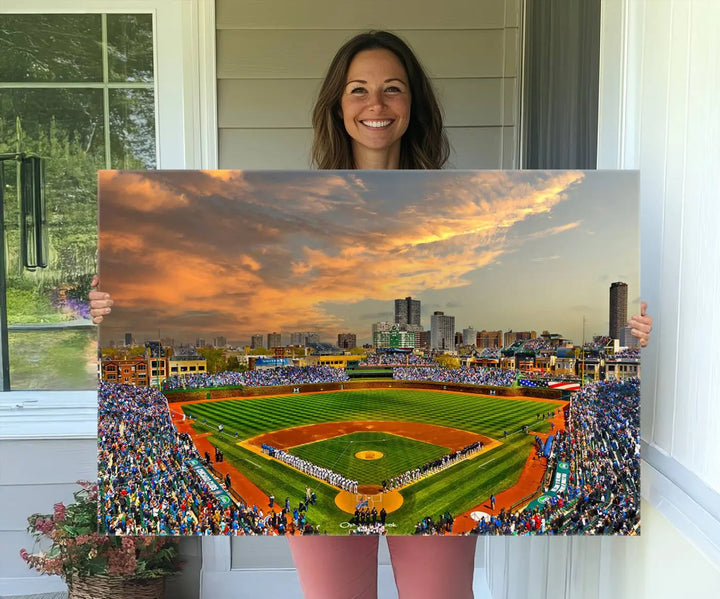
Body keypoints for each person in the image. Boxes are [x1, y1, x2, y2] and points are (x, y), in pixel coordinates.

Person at [89, 30, 654, 599]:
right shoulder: (296, 202)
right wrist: (113, 307)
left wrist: (631, 338)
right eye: (358, 90)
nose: (376, 105)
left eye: (393, 89)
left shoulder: (453, 202)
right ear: (338, 105)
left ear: (413, 105)